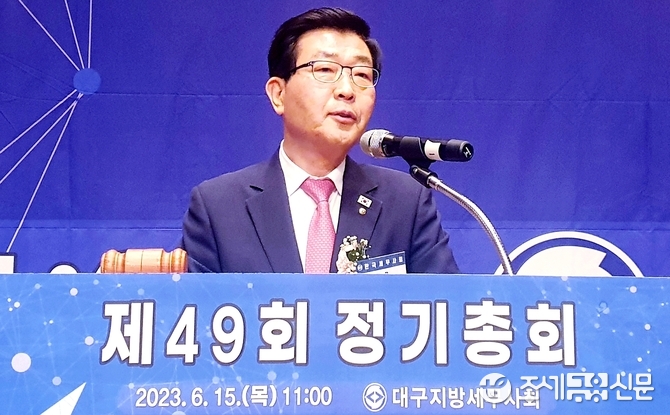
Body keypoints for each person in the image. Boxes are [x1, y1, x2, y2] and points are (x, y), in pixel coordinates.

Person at [182, 7, 459, 274]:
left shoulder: (406, 203)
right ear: (278, 94)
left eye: (362, 75)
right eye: (325, 70)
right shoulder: (218, 207)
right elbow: (191, 303)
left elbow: (447, 302)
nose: (347, 90)